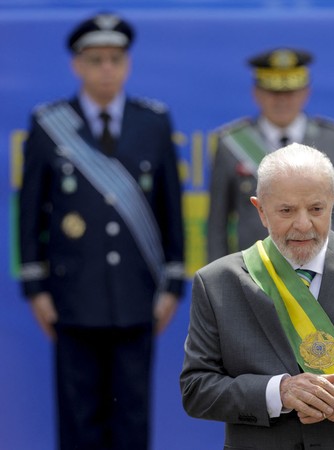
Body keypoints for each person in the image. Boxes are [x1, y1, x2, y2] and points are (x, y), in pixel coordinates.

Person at [181, 143, 334, 449]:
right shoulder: (218, 282)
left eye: (316, 209)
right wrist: (278, 392)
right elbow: (196, 390)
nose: (303, 224)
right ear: (260, 210)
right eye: (286, 210)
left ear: (333, 203)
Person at [18, 12, 185, 450]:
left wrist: (172, 283)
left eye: (115, 58)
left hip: (136, 296)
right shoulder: (48, 124)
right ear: (77, 65)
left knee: (132, 416)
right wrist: (36, 289)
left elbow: (171, 207)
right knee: (78, 419)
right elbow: (30, 211)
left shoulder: (153, 122)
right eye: (95, 59)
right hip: (72, 298)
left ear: (127, 64)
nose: (106, 68)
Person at [206, 47, 334, 262]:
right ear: (257, 93)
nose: (282, 101)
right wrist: (223, 282)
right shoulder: (232, 144)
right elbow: (217, 223)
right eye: (273, 92)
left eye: (290, 92)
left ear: (306, 92)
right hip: (257, 273)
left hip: (324, 271)